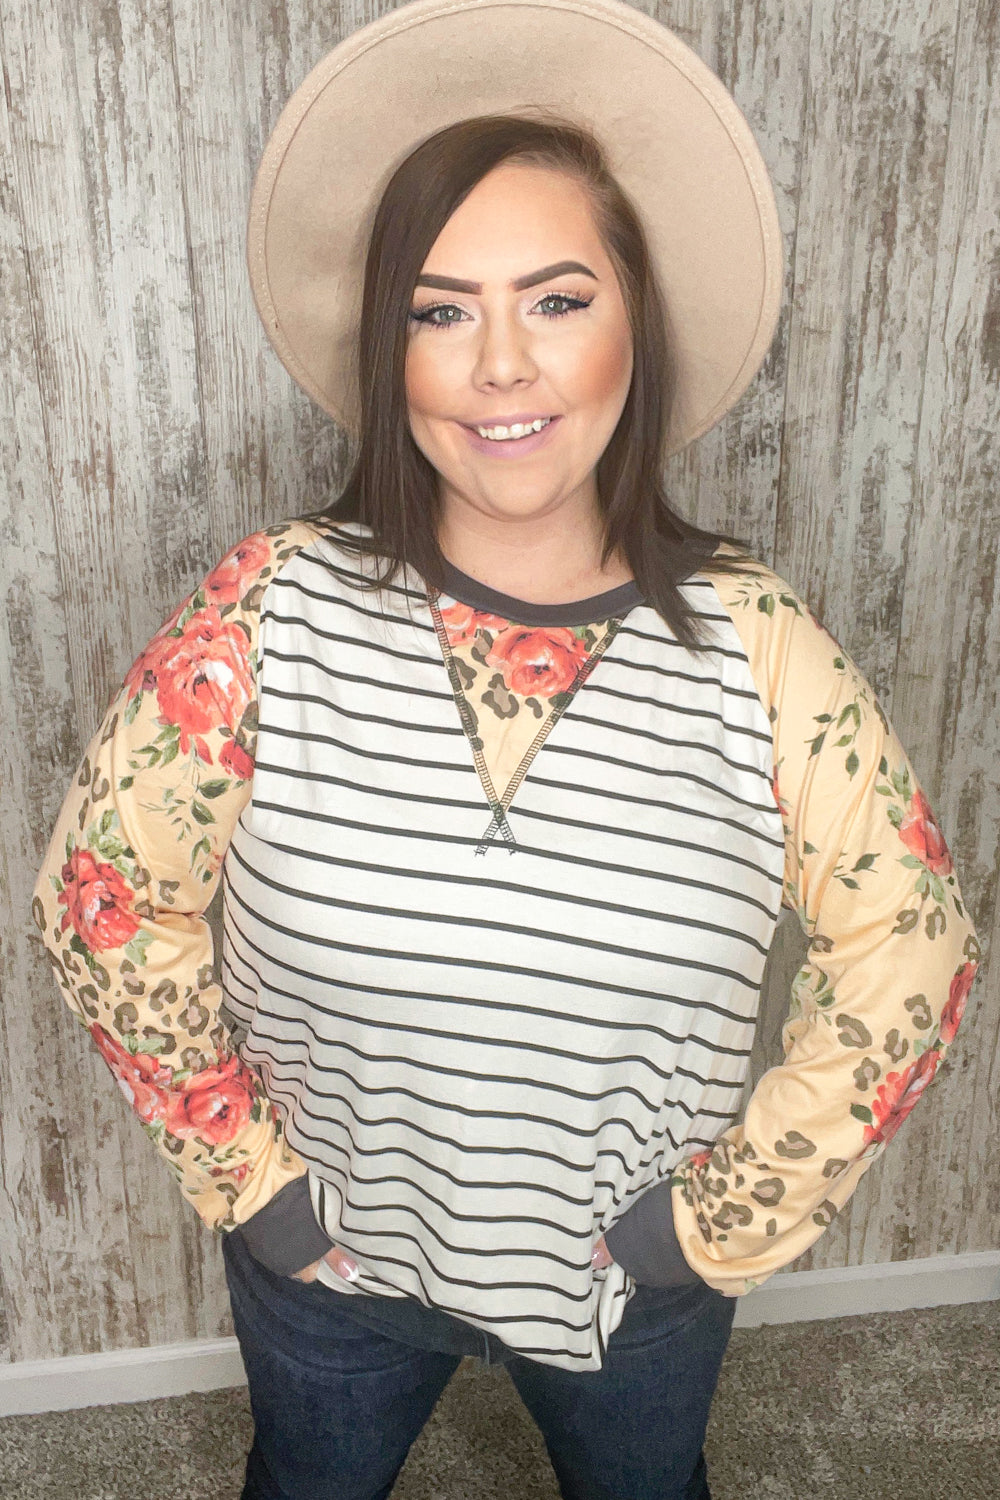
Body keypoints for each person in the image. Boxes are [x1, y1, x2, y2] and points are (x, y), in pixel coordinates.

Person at [32, 2, 979, 1497]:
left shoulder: (757, 643)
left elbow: (912, 948)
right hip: (327, 1270)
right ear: (391, 351)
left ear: (634, 327)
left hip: (635, 1291)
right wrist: (251, 1182)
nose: (499, 366)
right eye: (439, 310)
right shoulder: (268, 607)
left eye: (556, 299)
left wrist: (713, 1226)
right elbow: (102, 892)